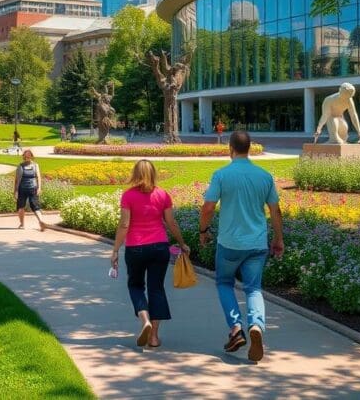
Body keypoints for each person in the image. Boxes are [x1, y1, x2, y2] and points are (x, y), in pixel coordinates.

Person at [199, 130, 284, 362]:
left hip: (229, 243)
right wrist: (278, 239)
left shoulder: (222, 175)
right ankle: (256, 325)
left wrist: (203, 231)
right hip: (257, 243)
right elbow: (275, 210)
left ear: (230, 149)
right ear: (249, 148)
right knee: (253, 289)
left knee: (224, 283)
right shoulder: (264, 176)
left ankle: (236, 328)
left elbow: (208, 208)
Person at [110, 160, 190, 348]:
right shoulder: (162, 194)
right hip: (159, 247)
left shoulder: (128, 196)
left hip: (136, 248)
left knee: (135, 285)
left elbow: (124, 225)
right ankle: (154, 337)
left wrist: (114, 250)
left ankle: (144, 319)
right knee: (156, 289)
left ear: (135, 173)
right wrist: (182, 243)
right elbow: (171, 223)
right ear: (153, 173)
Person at [13, 149, 47, 231]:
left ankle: (41, 221)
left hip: (33, 188)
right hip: (22, 189)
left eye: (29, 156)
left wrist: (39, 187)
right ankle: (22, 224)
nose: (27, 157)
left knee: (35, 206)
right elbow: (17, 179)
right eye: (26, 156)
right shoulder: (20, 166)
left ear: (31, 156)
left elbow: (38, 177)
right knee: (21, 207)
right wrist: (15, 191)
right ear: (24, 157)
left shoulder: (35, 165)